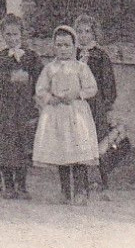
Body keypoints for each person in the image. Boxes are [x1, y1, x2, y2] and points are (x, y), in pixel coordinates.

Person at [33, 25, 100, 204]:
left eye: (67, 45)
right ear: (54, 47)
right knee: (62, 152)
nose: (63, 49)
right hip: (57, 115)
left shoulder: (81, 68)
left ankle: (81, 192)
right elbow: (40, 88)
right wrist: (49, 98)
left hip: (76, 114)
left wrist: (77, 95)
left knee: (77, 153)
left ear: (74, 46)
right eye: (59, 45)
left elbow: (92, 88)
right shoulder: (50, 68)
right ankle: (65, 191)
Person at [0, 14, 39, 199]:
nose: (12, 38)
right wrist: (12, 78)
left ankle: (22, 185)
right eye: (8, 34)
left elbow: (38, 79)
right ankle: (8, 185)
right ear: (3, 35)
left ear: (22, 35)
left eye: (16, 34)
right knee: (5, 147)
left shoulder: (31, 57)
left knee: (22, 145)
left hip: (23, 108)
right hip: (4, 108)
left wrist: (29, 83)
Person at [75, 14, 118, 197]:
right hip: (77, 104)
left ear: (94, 34)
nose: (84, 36)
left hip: (96, 105)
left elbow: (109, 83)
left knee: (100, 144)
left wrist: (106, 106)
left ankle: (105, 185)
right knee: (79, 143)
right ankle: (82, 186)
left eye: (88, 32)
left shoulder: (100, 56)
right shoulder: (72, 54)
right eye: (80, 32)